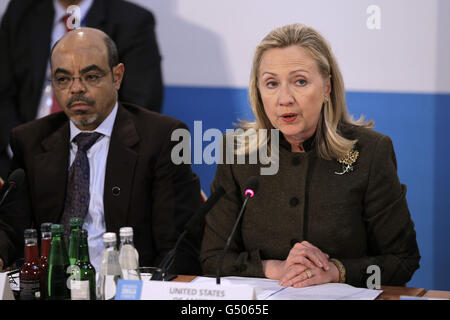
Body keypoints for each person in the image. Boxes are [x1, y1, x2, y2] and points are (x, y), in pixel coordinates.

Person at [200, 24, 421, 288]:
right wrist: (275, 268)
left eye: (300, 81)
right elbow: (213, 259)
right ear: (258, 91)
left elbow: (402, 260)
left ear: (327, 87)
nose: (284, 99)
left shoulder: (370, 152)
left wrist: (336, 271)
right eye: (271, 83)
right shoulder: (236, 154)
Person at [0, 28, 201, 276]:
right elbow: (10, 229)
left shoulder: (161, 138)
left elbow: (178, 247)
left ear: (117, 76)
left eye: (91, 76)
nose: (76, 89)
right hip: (52, 288)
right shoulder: (30, 140)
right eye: (63, 79)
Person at [0, 0, 163, 179]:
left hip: (98, 160)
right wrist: (19, 147)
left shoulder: (132, 21)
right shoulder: (21, 12)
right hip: (20, 158)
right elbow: (3, 92)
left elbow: (139, 105)